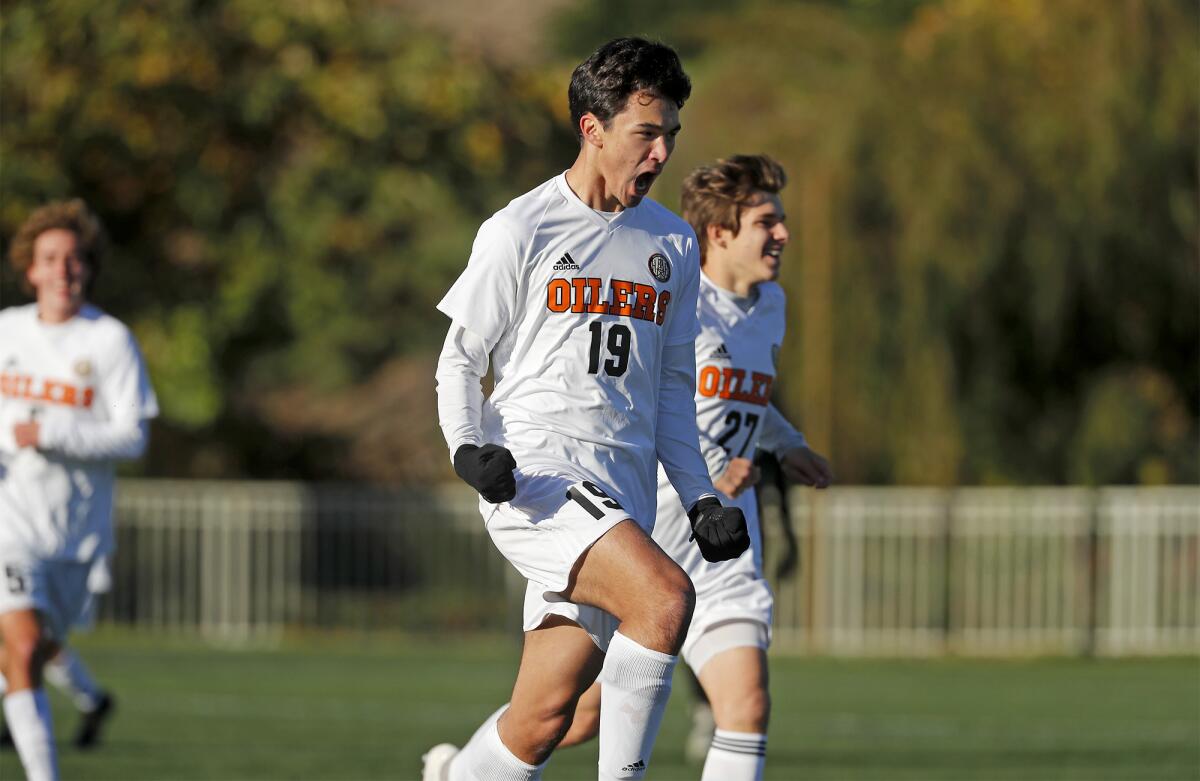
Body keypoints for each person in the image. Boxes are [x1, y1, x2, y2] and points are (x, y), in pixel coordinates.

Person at [424, 37, 751, 781]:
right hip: (537, 477)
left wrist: (698, 496)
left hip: (621, 486)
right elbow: (460, 360)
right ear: (592, 128)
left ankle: (455, 775)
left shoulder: (672, 242)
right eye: (646, 133)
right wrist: (467, 449)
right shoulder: (520, 229)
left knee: (545, 719)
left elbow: (672, 388)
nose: (662, 151)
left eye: (671, 133)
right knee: (666, 597)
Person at [556, 155, 833, 781]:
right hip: (651, 536)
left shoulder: (770, 307)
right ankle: (461, 770)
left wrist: (786, 442)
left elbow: (744, 401)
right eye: (768, 221)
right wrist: (706, 475)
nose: (784, 235)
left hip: (727, 545)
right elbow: (629, 408)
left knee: (747, 706)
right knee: (571, 716)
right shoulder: (674, 303)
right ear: (719, 233)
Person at [0, 199, 158, 780]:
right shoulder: (5, 332)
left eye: (73, 259)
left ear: (87, 268)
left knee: (34, 652)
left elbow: (132, 438)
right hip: (9, 526)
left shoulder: (111, 341)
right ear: (31, 270)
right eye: (50, 259)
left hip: (75, 537)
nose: (63, 270)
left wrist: (53, 432)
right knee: (20, 647)